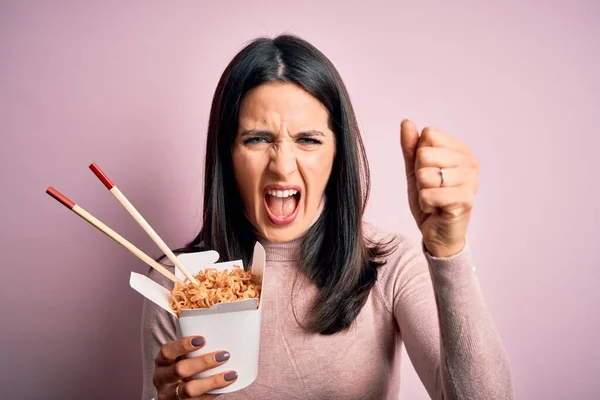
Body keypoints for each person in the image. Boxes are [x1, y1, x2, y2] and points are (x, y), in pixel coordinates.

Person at [141, 34, 514, 400]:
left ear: (338, 155)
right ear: (227, 155)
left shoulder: (390, 265)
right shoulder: (179, 283)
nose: (283, 168)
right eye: (256, 139)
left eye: (309, 139)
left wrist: (449, 251)